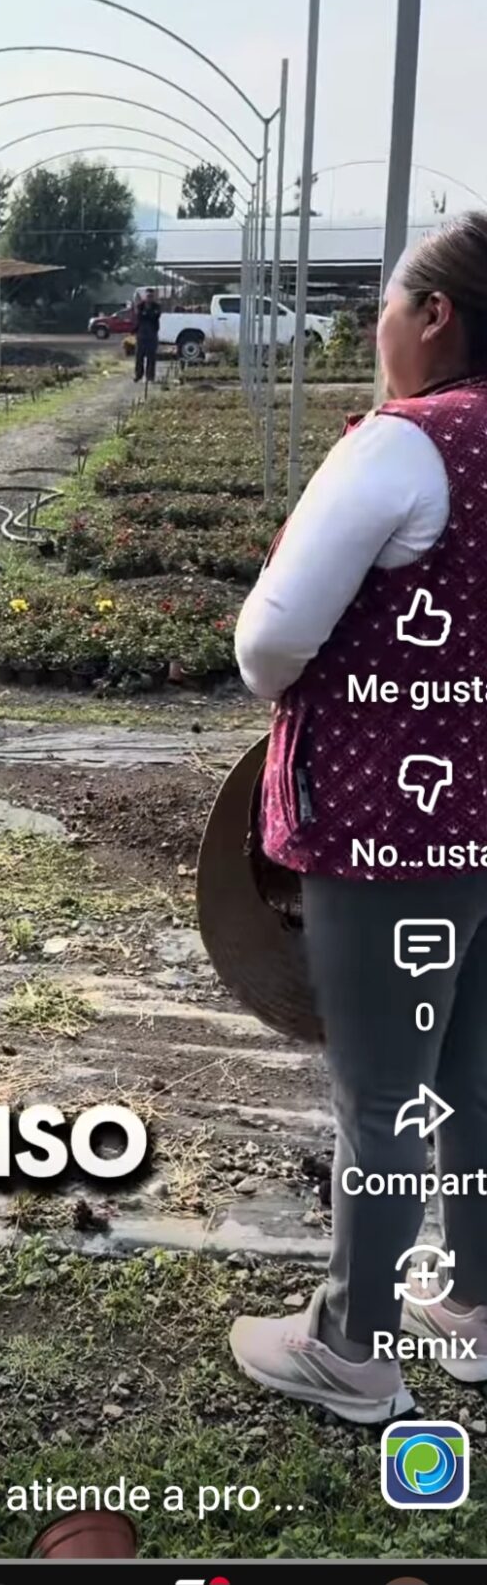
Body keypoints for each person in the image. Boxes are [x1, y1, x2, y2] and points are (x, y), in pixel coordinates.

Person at [229, 212, 487, 1423]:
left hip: (394, 825)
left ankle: (353, 1347)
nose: (376, 324)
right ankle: (472, 1302)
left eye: (385, 301)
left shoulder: (405, 444)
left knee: (381, 1092)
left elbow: (270, 640)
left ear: (433, 314)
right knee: (474, 1073)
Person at [133, 288, 162, 389]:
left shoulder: (157, 306)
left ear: (153, 297)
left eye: (151, 296)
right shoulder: (140, 306)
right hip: (141, 334)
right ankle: (138, 375)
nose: (149, 298)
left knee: (151, 357)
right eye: (148, 296)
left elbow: (155, 316)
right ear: (145, 297)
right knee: (139, 356)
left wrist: (147, 314)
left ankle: (150, 376)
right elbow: (139, 317)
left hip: (152, 334)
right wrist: (147, 315)